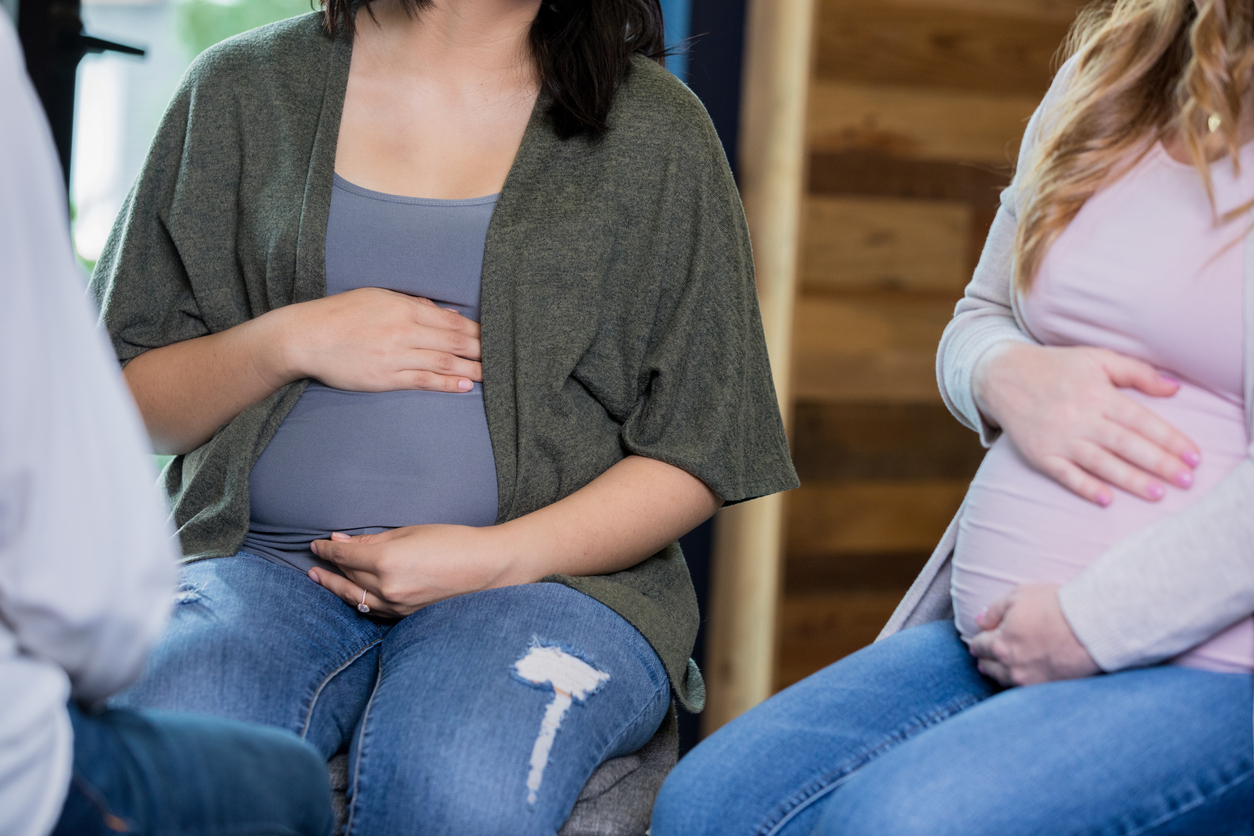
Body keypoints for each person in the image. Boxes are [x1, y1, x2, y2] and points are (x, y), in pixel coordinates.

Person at [91, 0, 798, 833]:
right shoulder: (242, 90)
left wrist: (495, 559)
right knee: (171, 759)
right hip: (258, 566)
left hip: (550, 586)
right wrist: (291, 338)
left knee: (457, 781)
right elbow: (120, 401)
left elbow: (700, 446)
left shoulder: (654, 130)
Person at [652, 1, 1254, 834]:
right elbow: (976, 318)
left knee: (896, 823)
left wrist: (1090, 625)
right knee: (708, 804)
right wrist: (1007, 376)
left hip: (1214, 666)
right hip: (1005, 639)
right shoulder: (1109, 75)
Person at [0, 14, 335, 836]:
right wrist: (296, 339)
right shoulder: (234, 87)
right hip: (21, 774)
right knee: (286, 784)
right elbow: (94, 605)